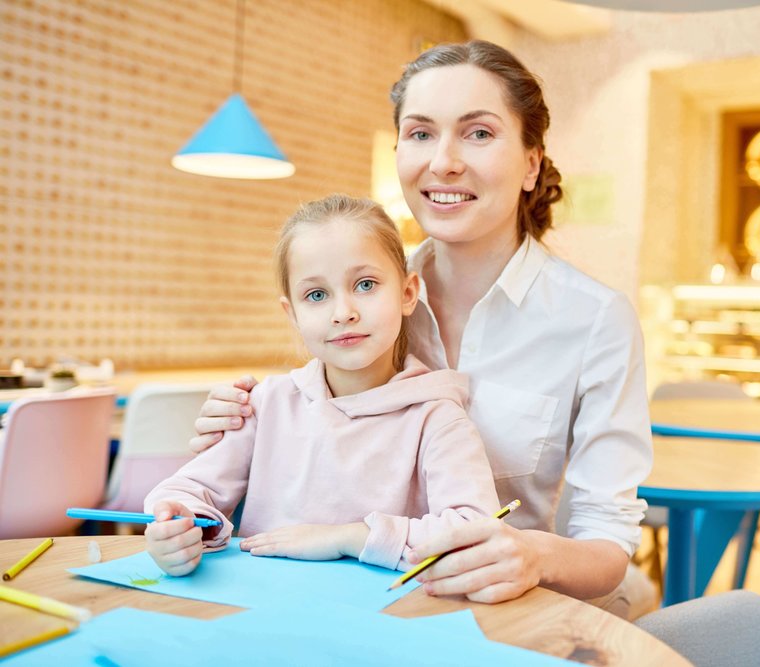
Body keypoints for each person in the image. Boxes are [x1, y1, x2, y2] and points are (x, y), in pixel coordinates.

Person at [190, 41, 656, 618]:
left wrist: (535, 555)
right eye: (420, 133)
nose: (443, 162)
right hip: (332, 607)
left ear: (532, 162)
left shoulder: (595, 320)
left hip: (495, 613)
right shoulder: (363, 294)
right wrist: (241, 418)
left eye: (478, 133)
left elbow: (607, 545)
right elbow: (310, 430)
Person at [145, 194, 499, 577]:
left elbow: (475, 531)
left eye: (365, 284)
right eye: (316, 295)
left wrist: (348, 537)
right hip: (263, 610)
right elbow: (189, 492)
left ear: (407, 293)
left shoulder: (437, 417)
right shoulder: (265, 404)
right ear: (292, 313)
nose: (343, 312)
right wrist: (178, 524)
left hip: (385, 618)